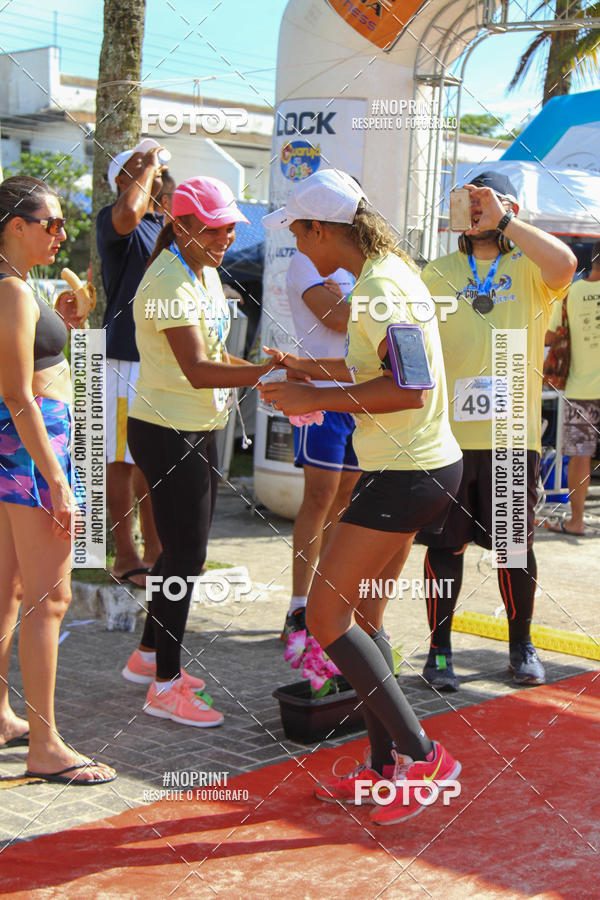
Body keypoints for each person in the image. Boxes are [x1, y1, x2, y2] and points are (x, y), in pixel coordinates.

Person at [261, 168, 463, 826]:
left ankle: (426, 759)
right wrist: (307, 369)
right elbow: (376, 370)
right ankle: (383, 771)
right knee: (364, 622)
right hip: (408, 470)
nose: (297, 247)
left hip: (408, 474)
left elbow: (411, 390)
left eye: (297, 234)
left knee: (326, 620)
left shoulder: (379, 288)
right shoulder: (389, 276)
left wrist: (313, 398)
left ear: (324, 230)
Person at [123, 176, 285, 727]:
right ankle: (165, 685)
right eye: (216, 229)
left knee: (178, 549)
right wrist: (266, 371)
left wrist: (258, 366)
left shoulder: (206, 272)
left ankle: (148, 658)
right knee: (186, 559)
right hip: (171, 430)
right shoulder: (169, 280)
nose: (226, 238)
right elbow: (196, 370)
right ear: (183, 224)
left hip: (196, 428)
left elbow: (215, 351)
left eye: (231, 228)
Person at [418, 170, 577, 691]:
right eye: (472, 202)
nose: (480, 211)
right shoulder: (435, 273)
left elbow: (566, 263)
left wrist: (507, 218)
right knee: (444, 547)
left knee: (514, 549)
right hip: (448, 439)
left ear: (512, 210)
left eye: (491, 203)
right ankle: (439, 651)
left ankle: (520, 644)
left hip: (511, 437)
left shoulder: (530, 270)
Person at [0, 175, 116, 784]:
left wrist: (70, 324)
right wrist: (58, 480)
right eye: (50, 223)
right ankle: (44, 747)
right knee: (51, 600)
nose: (61, 234)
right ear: (15, 226)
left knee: (8, 594)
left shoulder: (16, 287)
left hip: (13, 454)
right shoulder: (13, 293)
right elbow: (20, 395)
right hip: (31, 451)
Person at [97, 137, 165, 588]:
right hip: (125, 358)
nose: (156, 169)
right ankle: (126, 555)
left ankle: (159, 554)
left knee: (155, 463)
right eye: (141, 166)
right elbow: (128, 212)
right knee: (121, 462)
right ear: (122, 180)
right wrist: (149, 164)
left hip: (165, 362)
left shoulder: (169, 226)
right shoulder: (115, 220)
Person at [282, 251, 360, 640]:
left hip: (363, 397)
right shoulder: (304, 260)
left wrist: (352, 302)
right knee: (319, 500)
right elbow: (338, 318)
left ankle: (326, 603)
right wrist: (360, 305)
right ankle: (298, 606)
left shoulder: (363, 263)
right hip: (320, 398)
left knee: (345, 505)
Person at [546, 240, 600, 536]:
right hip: (583, 389)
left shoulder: (571, 293)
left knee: (580, 456)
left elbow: (551, 336)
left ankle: (576, 521)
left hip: (581, 388)